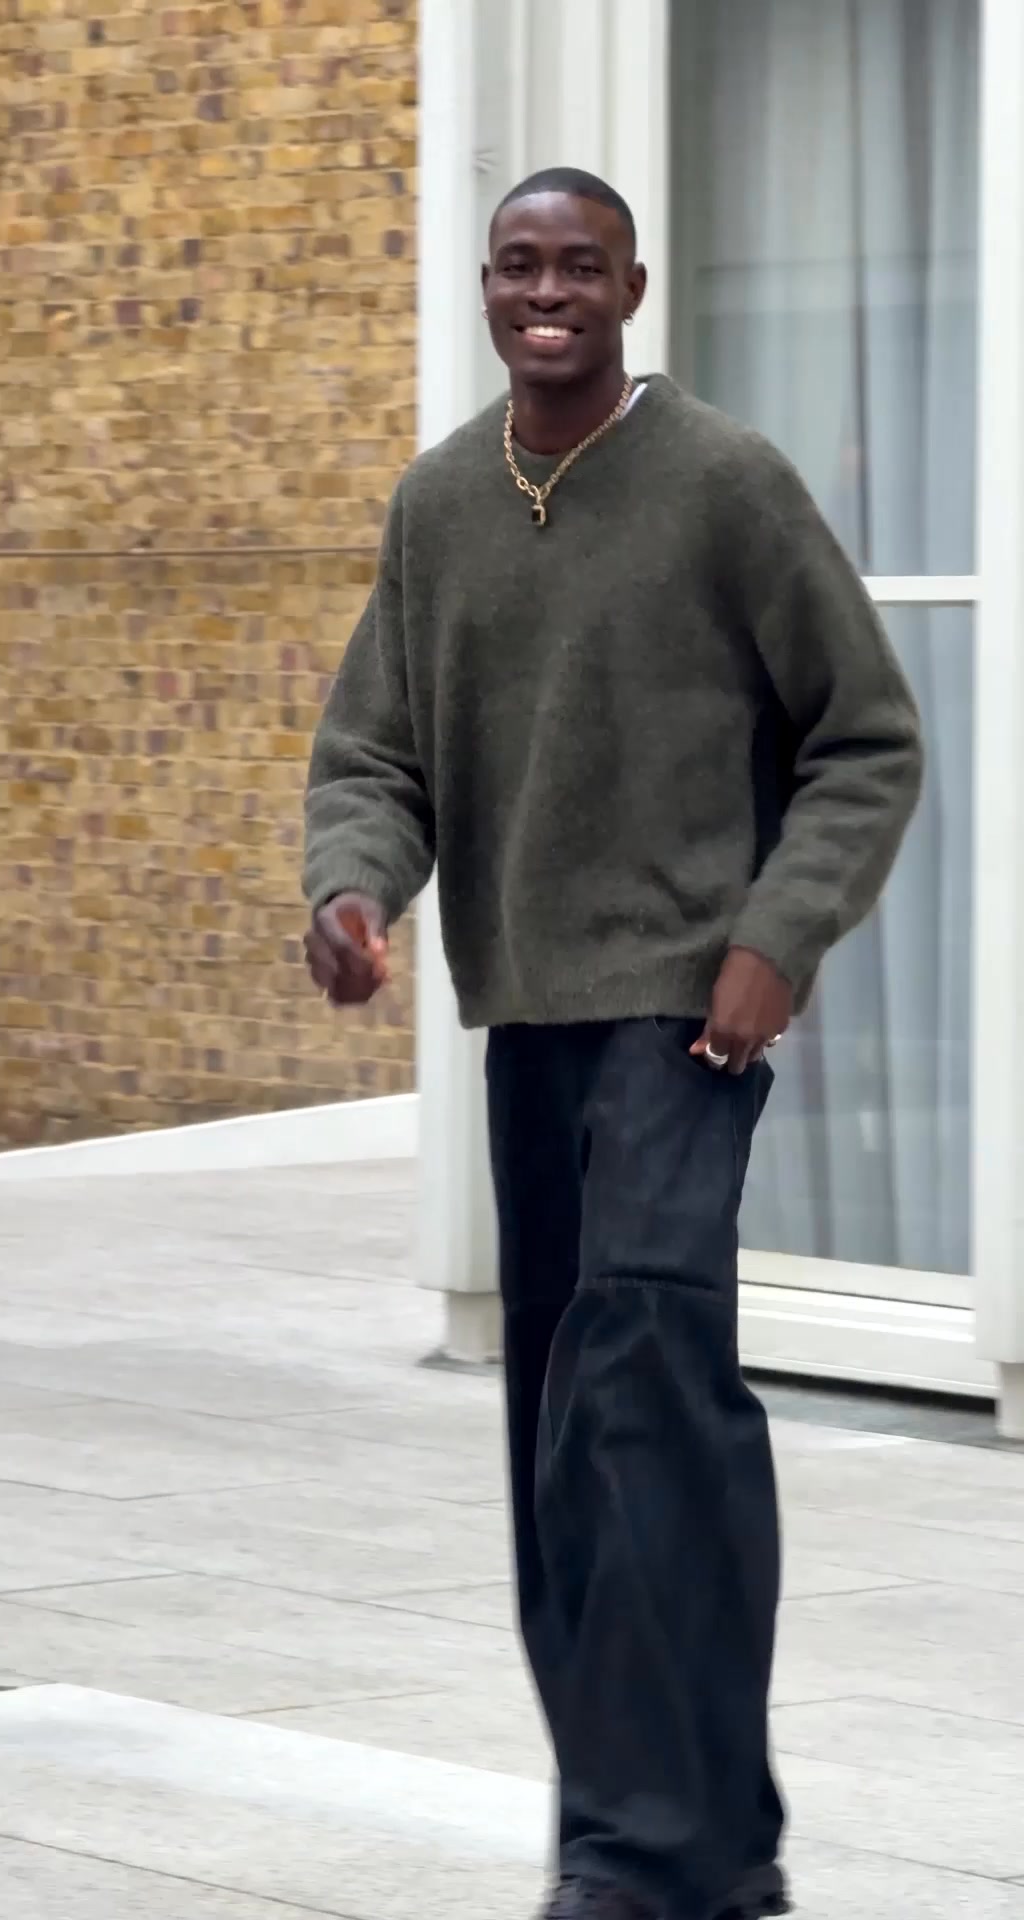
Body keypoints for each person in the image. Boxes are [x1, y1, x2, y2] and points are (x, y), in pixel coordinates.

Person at [303, 167, 923, 1920]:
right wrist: (354, 889)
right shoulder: (442, 503)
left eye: (582, 265)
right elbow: (375, 754)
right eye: (520, 265)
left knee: (639, 1400)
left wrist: (774, 942)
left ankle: (640, 1861)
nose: (548, 291)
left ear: (632, 289)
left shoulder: (725, 482)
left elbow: (866, 738)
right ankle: (699, 1843)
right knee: (569, 1447)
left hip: (683, 1026)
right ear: (484, 286)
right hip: (530, 1027)